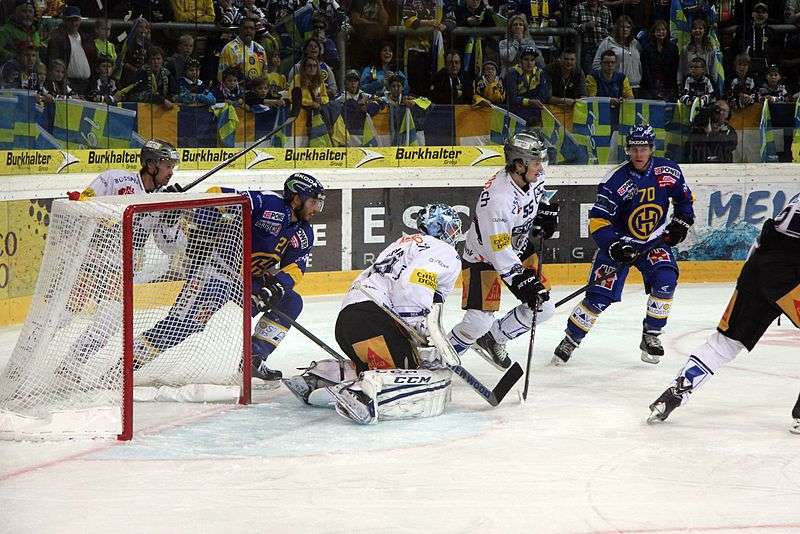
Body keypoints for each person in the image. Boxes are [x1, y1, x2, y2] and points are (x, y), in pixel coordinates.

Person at [280, 203, 462, 425]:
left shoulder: (402, 243)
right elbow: (415, 282)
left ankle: (321, 378)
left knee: (374, 366)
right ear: (439, 227)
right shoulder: (444, 250)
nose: (455, 234)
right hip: (375, 322)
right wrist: (419, 327)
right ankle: (363, 393)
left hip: (349, 318)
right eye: (451, 228)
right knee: (412, 375)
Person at [648, 194, 800, 433]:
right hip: (787, 276)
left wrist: (748, 284)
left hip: (756, 271)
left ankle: (672, 395)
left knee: (725, 342)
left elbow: (767, 237)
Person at [553, 125, 695, 366]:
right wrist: (614, 246)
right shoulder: (614, 180)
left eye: (643, 148)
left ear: (651, 149)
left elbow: (684, 200)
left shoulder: (668, 171)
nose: (638, 154)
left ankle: (651, 335)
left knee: (665, 280)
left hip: (653, 242)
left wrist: (680, 223)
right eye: (634, 149)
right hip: (620, 244)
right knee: (598, 298)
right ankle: (571, 338)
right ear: (628, 150)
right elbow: (598, 220)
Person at [60, 141, 184, 370]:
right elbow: (84, 203)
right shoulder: (116, 179)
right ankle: (26, 356)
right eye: (167, 165)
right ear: (151, 164)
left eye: (172, 166)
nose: (170, 172)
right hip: (94, 258)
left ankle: (69, 365)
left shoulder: (161, 200)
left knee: (107, 324)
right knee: (65, 312)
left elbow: (169, 247)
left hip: (122, 267)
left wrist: (171, 218)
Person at [447, 130, 558, 369]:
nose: (541, 167)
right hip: (483, 256)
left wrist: (545, 214)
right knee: (478, 321)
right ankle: (440, 360)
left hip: (517, 245)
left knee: (545, 307)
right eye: (536, 162)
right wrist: (521, 281)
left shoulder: (533, 176)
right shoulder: (498, 199)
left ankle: (494, 338)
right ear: (519, 164)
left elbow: (539, 197)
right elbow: (499, 251)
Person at [686, 98, 737, 163]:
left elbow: (732, 145)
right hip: (701, 163)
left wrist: (718, 134)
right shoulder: (702, 125)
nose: (720, 113)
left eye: (724, 110)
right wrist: (704, 131)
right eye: (718, 110)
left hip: (723, 164)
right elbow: (691, 144)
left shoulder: (729, 130)